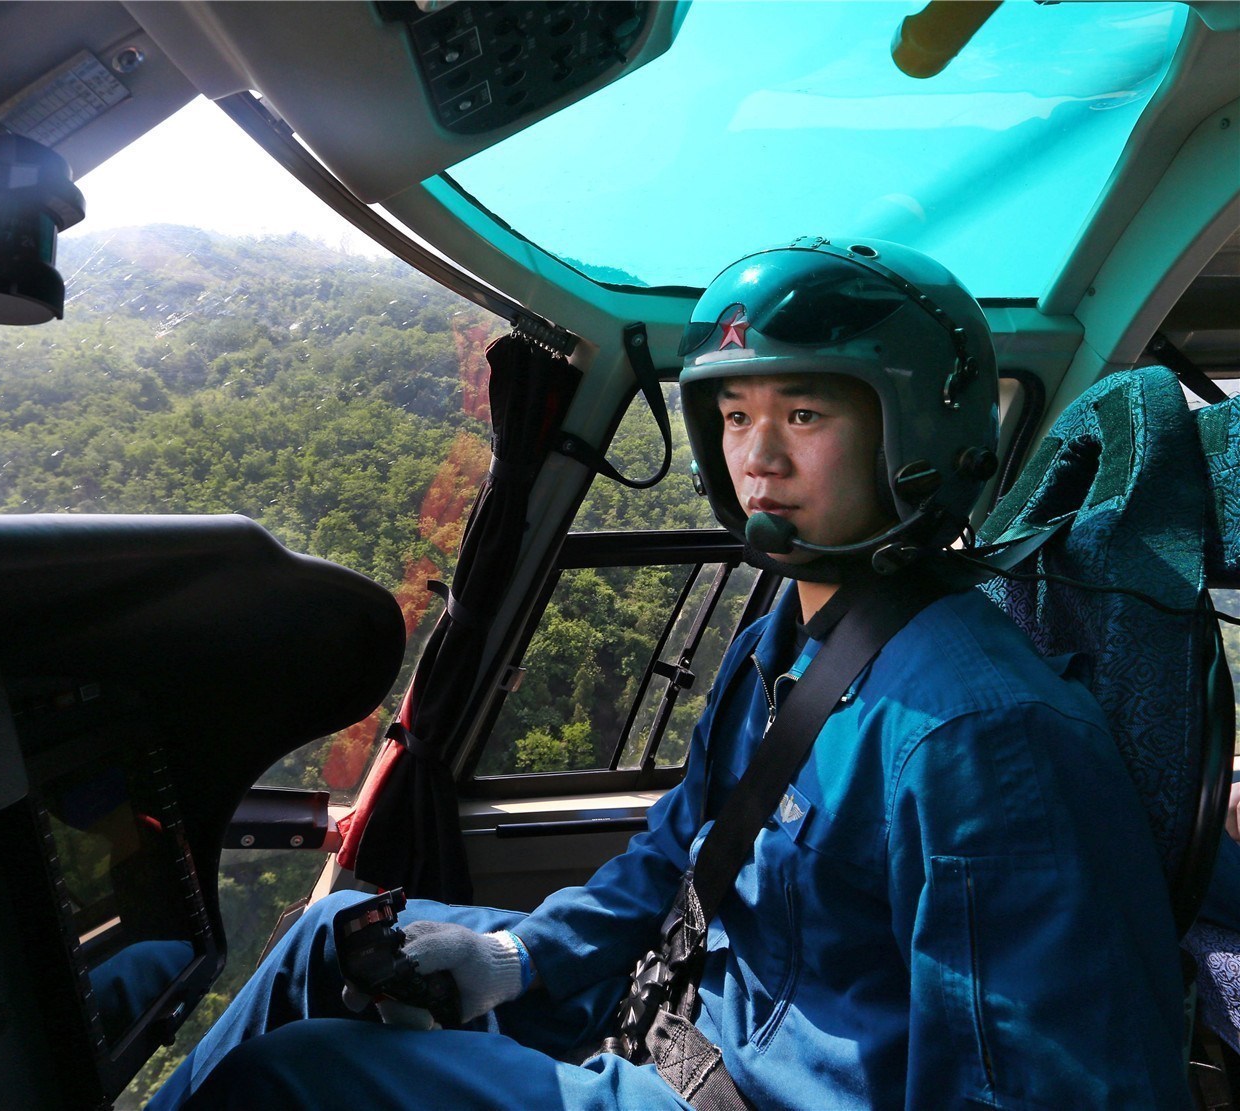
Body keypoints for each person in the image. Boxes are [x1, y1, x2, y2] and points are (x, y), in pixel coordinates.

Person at [149, 238, 1188, 1109]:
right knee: (334, 934)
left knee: (303, 1077)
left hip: (746, 1087)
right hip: (678, 1011)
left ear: (918, 436)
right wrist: (526, 959)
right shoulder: (787, 632)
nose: (758, 458)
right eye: (736, 417)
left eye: (806, 415)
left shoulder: (979, 737)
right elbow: (680, 849)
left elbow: (1046, 1085)